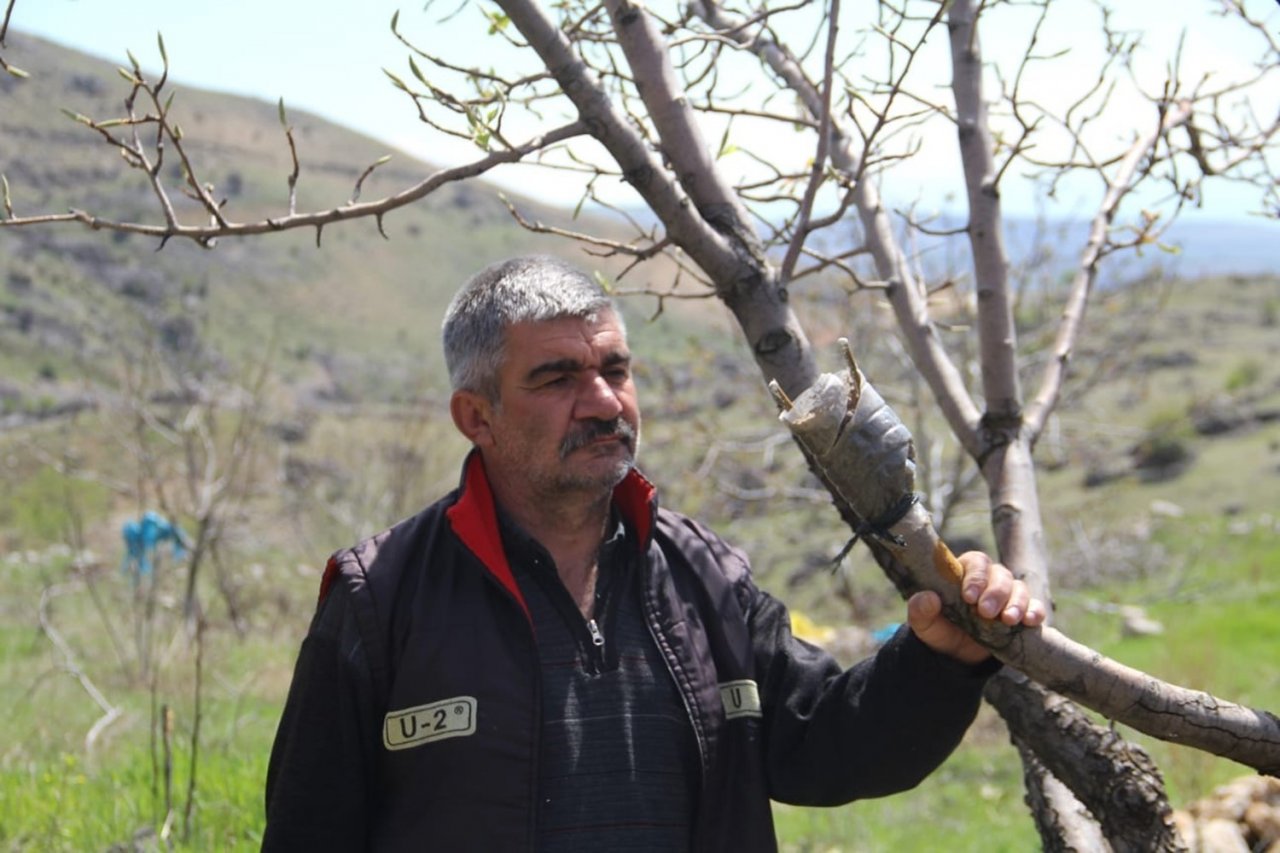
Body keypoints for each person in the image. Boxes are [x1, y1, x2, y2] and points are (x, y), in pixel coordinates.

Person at [262, 255, 1046, 852]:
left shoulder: (706, 577)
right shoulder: (382, 599)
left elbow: (826, 747)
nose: (604, 401)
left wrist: (941, 658)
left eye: (614, 369)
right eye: (557, 377)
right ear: (477, 415)